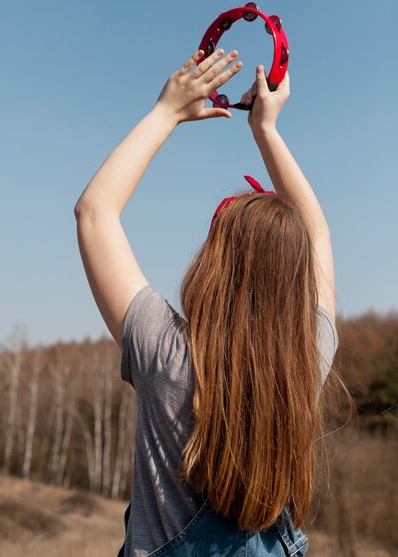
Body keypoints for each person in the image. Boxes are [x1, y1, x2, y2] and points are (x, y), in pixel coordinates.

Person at [74, 47, 338, 557]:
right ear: (297, 279)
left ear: (213, 265)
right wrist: (268, 130)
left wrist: (166, 111)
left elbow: (94, 211)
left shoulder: (167, 354)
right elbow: (318, 233)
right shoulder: (309, 359)